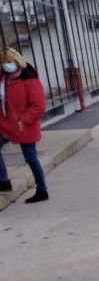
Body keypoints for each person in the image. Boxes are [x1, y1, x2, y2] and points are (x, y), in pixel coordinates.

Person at [0, 48, 48, 203]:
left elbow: (38, 105)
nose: (6, 65)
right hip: (6, 124)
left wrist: (24, 121)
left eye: (8, 62)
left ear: (16, 60)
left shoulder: (29, 79)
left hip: (24, 125)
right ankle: (3, 181)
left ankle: (42, 190)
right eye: (3, 63)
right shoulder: (4, 78)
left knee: (31, 158)